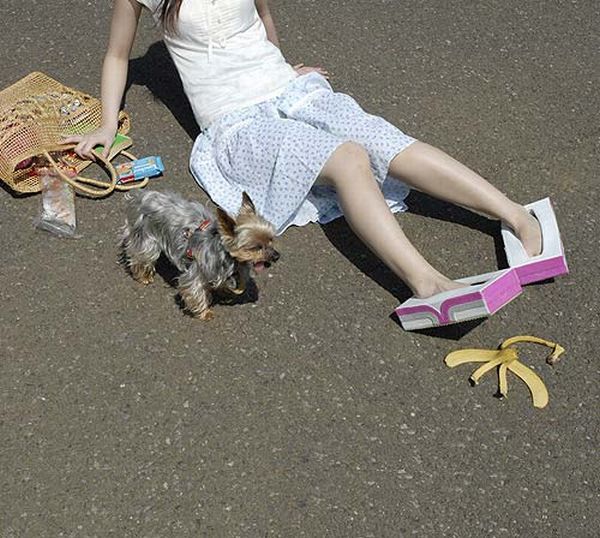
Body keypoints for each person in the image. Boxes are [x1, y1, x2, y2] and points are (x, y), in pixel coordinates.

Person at [65, 0, 541, 299]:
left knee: (379, 139)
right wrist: (107, 125)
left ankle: (515, 214)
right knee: (349, 158)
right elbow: (116, 55)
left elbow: (264, 17)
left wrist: (285, 65)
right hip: (237, 122)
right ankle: (427, 283)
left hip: (288, 91)